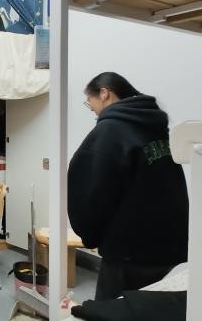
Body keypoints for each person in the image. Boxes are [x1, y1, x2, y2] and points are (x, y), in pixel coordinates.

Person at [68, 72, 189, 300]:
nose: (91, 108)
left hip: (129, 253)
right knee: (156, 313)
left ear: (104, 93)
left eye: (89, 101)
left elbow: (90, 191)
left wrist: (90, 235)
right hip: (172, 246)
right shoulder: (155, 125)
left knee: (114, 315)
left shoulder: (111, 130)